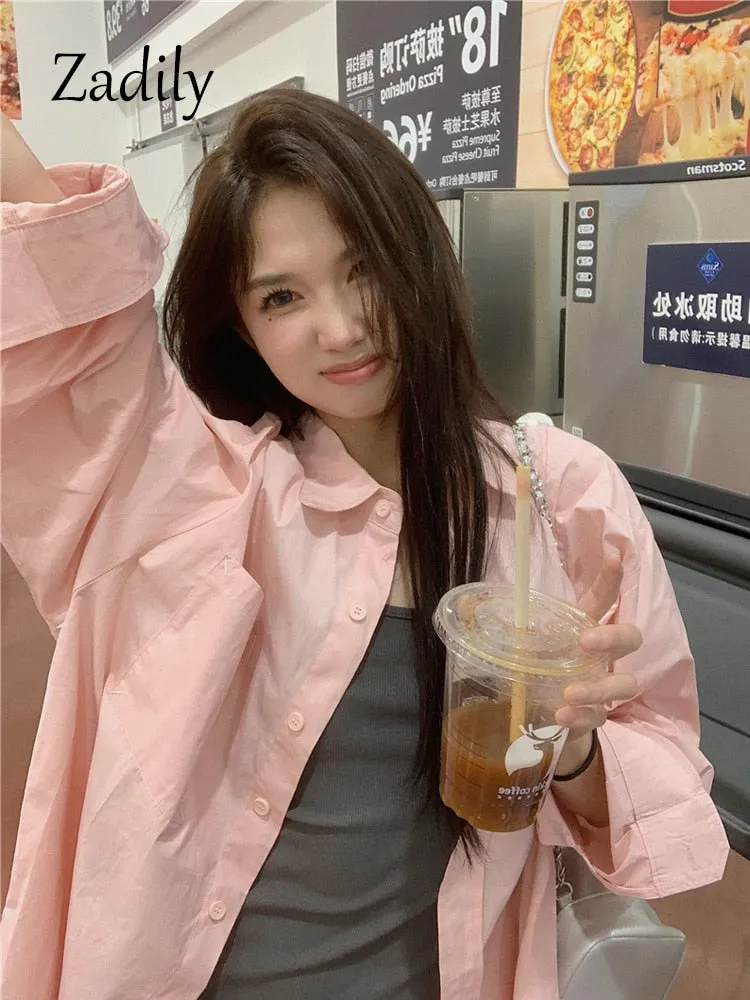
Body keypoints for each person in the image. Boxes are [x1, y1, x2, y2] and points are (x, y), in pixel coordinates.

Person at [0, 90, 728, 1000]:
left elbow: (664, 778)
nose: (342, 328)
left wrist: (569, 745)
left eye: (364, 269)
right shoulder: (195, 492)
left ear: (415, 253)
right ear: (240, 326)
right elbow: (64, 325)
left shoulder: (562, 497)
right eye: (282, 296)